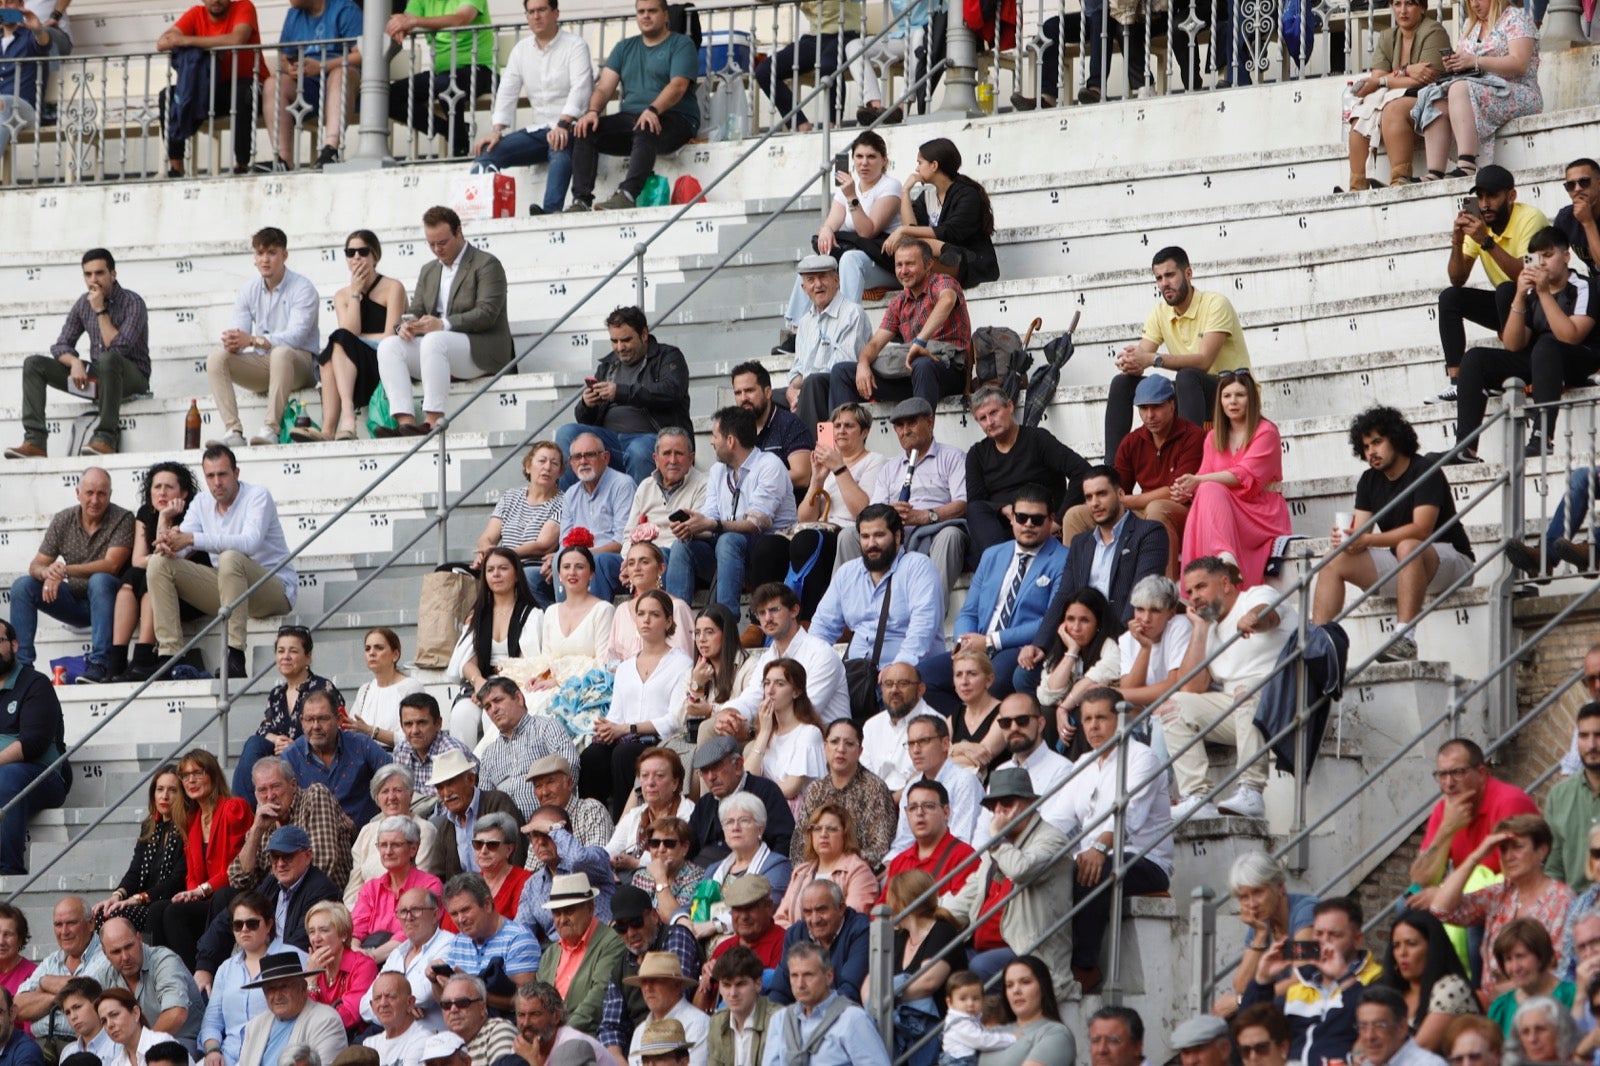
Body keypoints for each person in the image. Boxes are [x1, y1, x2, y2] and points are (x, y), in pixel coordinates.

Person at [1313, 406, 1475, 661]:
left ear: (1396, 438)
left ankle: (1405, 639)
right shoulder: (1369, 480)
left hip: (1452, 562)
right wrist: (1348, 540)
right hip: (1406, 567)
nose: (1371, 452)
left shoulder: (1424, 469)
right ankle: (1318, 644)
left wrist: (1368, 539)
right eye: (1365, 447)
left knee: (1408, 545)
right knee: (1333, 558)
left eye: (1377, 442)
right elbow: (1362, 531)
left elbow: (1421, 530)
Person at [1160, 555, 1297, 821]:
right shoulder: (1208, 628)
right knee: (1174, 704)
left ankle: (1251, 791)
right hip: (1242, 711)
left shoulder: (1256, 596)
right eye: (1189, 592)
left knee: (1246, 690)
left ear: (1225, 583)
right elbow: (1190, 688)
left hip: (1284, 699)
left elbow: (1269, 615)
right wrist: (1200, 629)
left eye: (1201, 587)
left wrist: (1254, 619)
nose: (1194, 596)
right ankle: (1197, 798)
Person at [1054, 689, 1174, 993]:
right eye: (1087, 719)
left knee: (1096, 869)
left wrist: (1098, 846)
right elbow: (1058, 821)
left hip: (1145, 859)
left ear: (1120, 720)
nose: (1093, 726)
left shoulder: (1143, 757)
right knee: (1050, 871)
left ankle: (1085, 967)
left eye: (1101, 718)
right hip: (1095, 855)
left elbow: (1129, 813)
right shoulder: (1083, 762)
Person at [147, 445, 298, 682]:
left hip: (273, 589)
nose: (217, 482)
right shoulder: (201, 502)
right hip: (229, 590)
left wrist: (191, 538)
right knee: (158, 563)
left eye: (222, 474)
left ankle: (235, 654)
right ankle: (170, 656)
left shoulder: (258, 496)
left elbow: (249, 543)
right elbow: (175, 549)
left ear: (236, 473)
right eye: (210, 476)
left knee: (231, 556)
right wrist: (165, 523)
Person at [1455, 227, 1598, 460]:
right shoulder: (1533, 294)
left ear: (1566, 256)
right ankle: (1465, 448)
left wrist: (1543, 293)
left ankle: (1543, 437)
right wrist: (1520, 296)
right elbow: (1513, 344)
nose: (1542, 264)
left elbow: (1571, 336)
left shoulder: (1584, 286)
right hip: (1543, 361)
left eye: (1548, 255)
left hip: (1581, 357)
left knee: (1546, 346)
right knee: (1475, 358)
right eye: (1536, 258)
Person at [1104, 246, 1252, 462]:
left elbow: (1203, 361)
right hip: (1189, 392)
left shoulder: (1215, 304)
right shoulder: (1160, 312)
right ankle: (1111, 473)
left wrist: (1153, 360)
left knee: (1187, 376)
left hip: (1229, 389)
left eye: (1170, 275)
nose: (1165, 283)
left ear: (1188, 274)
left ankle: (1187, 462)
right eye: (1159, 278)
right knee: (1122, 383)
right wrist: (1131, 362)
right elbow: (1143, 352)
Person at [374, 207, 512, 438]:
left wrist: (443, 324)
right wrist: (406, 326)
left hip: (482, 349)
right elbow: (416, 310)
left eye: (442, 242)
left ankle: (431, 421)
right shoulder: (428, 270)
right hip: (438, 350)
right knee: (389, 345)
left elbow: (487, 313)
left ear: (459, 232)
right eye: (431, 244)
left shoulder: (487, 264)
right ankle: (405, 422)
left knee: (435, 339)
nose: (437, 250)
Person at [9, 249, 150, 462]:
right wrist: (74, 362)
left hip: (132, 378)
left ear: (113, 274)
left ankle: (105, 437)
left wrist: (101, 310)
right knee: (34, 364)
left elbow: (118, 349)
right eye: (88, 274)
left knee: (108, 359)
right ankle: (36, 441)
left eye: (100, 273)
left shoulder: (133, 302)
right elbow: (61, 345)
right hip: (100, 377)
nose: (94, 279)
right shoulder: (83, 303)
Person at [943, 771, 1075, 996]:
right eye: (994, 806)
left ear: (1031, 804)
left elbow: (1020, 870)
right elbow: (968, 897)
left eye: (1007, 803)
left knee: (978, 969)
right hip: (983, 948)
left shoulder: (1052, 838)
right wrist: (930, 920)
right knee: (937, 957)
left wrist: (995, 839)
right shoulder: (999, 846)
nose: (999, 812)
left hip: (1032, 954)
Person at [748, 403, 885, 619]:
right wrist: (817, 480)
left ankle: (806, 618)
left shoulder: (874, 461)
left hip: (846, 534)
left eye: (849, 426)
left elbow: (863, 511)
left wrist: (840, 469)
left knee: (807, 541)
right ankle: (760, 620)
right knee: (768, 546)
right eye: (837, 425)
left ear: (865, 431)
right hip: (816, 529)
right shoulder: (827, 465)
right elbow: (805, 517)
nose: (841, 430)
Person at [1062, 375, 1203, 580]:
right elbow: (1118, 489)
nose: (1149, 415)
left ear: (1172, 405)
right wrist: (1116, 500)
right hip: (1140, 511)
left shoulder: (1193, 436)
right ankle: (1071, 591)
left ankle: (1162, 593)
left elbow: (1176, 492)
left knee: (1157, 508)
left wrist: (1129, 501)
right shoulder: (1132, 441)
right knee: (1075, 515)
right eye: (1143, 408)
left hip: (1183, 511)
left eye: (1156, 407)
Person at [1430, 165, 1549, 404]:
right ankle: (1456, 382)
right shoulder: (1481, 223)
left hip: (1539, 307)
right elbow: (1457, 278)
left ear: (1511, 196)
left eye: (1493, 196)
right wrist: (1457, 240)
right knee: (1450, 297)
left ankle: (1513, 373)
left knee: (1507, 289)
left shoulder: (1531, 218)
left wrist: (1485, 241)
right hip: (1507, 305)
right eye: (1481, 196)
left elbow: (1526, 275)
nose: (1484, 204)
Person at [664, 406, 796, 618]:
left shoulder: (770, 466)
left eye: (715, 436)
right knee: (683, 545)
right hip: (727, 557)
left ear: (731, 441)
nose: (711, 442)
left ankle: (725, 623)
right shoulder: (717, 470)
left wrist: (713, 525)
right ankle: (675, 623)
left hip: (765, 556)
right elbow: (711, 518)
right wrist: (692, 527)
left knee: (729, 540)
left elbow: (756, 523)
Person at [565, 0, 697, 211]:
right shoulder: (624, 47)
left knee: (645, 125)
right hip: (633, 119)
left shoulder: (681, 44)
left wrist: (652, 109)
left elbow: (678, 86)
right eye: (641, 12)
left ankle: (626, 196)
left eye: (652, 11)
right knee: (585, 129)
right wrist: (591, 112)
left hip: (677, 118)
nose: (646, 16)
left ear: (666, 16)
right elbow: (603, 88)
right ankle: (580, 201)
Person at [8, 468, 132, 684]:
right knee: (23, 586)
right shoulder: (64, 519)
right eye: (89, 493)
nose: (95, 499)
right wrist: (47, 572)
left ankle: (100, 662)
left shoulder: (123, 518)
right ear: (78, 493)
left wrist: (65, 569)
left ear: (110, 495)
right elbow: (36, 564)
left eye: (102, 493)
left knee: (100, 579)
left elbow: (112, 565)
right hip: (74, 602)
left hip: (111, 605)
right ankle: (22, 668)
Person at [470, 0, 592, 215]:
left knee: (559, 149)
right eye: (531, 12)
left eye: (542, 10)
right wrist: (496, 130)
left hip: (570, 127)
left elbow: (581, 88)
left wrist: (563, 123)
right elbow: (507, 90)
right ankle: (481, 212)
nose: (536, 16)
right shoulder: (521, 50)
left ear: (556, 13)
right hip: (540, 130)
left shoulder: (575, 45)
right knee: (488, 154)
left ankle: (549, 212)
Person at [1429, 814, 1575, 991]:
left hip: (1537, 1004)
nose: (1508, 856)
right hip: (1494, 1006)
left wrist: (1505, 990)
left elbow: (1557, 968)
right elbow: (1441, 910)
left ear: (1542, 850)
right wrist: (1476, 857)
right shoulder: (1499, 892)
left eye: (1517, 847)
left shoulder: (1562, 898)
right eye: (1503, 849)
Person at [205, 228, 320, 449]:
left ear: (284, 256)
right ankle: (233, 431)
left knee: (281, 353)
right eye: (260, 253)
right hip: (265, 363)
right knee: (217, 359)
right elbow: (241, 333)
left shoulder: (303, 288)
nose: (265, 259)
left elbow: (295, 337)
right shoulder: (249, 290)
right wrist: (233, 341)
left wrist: (253, 341)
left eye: (271, 252)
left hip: (301, 365)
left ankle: (271, 429)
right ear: (254, 259)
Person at [834, 399, 968, 589]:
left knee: (951, 535)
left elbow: (962, 503)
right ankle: (846, 609)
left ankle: (931, 610)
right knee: (848, 536)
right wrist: (888, 512)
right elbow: (873, 512)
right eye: (899, 426)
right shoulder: (890, 468)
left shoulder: (952, 457)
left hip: (935, 530)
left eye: (912, 423)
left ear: (930, 422)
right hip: (894, 533)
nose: (905, 431)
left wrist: (925, 516)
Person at [1175, 371, 1292, 586]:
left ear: (1251, 399)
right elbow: (1203, 475)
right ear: (1219, 401)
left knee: (1208, 488)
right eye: (1226, 396)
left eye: (1240, 395)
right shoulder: (1213, 437)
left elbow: (1244, 475)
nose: (1233, 402)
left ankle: (1221, 560)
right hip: (1227, 510)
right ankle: (1222, 560)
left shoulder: (1266, 432)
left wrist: (1198, 481)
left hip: (1261, 511)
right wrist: (1186, 488)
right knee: (1207, 491)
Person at [292, 230, 408, 443]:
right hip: (352, 366)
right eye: (350, 252)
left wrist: (360, 337)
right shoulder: (342, 295)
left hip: (383, 359)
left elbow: (390, 335)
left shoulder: (393, 287)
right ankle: (331, 428)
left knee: (336, 346)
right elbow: (348, 334)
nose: (356, 257)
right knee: (334, 349)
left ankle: (343, 420)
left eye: (362, 252)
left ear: (375, 255)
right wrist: (355, 293)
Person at [828, 244, 973, 414]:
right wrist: (863, 364)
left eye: (910, 264)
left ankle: (921, 437)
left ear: (928, 265)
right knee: (842, 372)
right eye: (899, 265)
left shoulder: (942, 282)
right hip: (911, 374)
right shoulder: (899, 302)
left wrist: (920, 341)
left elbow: (947, 300)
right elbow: (875, 344)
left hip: (949, 371)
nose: (903, 271)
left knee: (923, 365)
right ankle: (842, 437)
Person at [557, 308, 692, 487]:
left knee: (639, 450)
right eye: (614, 341)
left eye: (626, 340)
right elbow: (585, 420)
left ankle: (643, 513)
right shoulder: (607, 366)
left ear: (644, 334)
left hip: (654, 437)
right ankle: (570, 509)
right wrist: (587, 404)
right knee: (566, 433)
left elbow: (672, 391)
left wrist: (620, 392)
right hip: (608, 441)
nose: (620, 347)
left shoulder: (667, 356)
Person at [781, 133, 895, 342]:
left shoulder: (890, 186)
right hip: (862, 263)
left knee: (850, 259)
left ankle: (846, 326)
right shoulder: (847, 187)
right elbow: (833, 220)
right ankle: (797, 331)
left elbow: (867, 232)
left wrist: (852, 196)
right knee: (812, 263)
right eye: (859, 157)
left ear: (884, 160)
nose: (864, 163)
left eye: (871, 157)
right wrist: (826, 229)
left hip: (886, 263)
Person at [704, 583, 851, 745]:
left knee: (752, 748)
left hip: (822, 740)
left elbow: (805, 713)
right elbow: (752, 696)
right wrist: (730, 712)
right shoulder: (768, 657)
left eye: (774, 610)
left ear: (794, 611)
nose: (767, 618)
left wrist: (753, 732)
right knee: (710, 727)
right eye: (761, 613)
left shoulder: (821, 653)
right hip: (777, 733)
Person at [195, 825, 341, 986]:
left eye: (287, 856)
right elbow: (230, 916)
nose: (280, 864)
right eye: (274, 857)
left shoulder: (321, 890)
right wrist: (204, 965)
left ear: (308, 856)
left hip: (290, 976)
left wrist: (254, 966)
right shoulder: (272, 883)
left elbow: (300, 944)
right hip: (260, 965)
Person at [812, 504, 946, 677]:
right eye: (865, 536)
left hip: (911, 675)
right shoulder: (847, 572)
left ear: (897, 536)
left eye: (879, 535)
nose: (871, 544)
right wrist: (813, 664)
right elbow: (822, 627)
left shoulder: (918, 566)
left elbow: (923, 628)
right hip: (857, 679)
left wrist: (899, 668)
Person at [1407, 738, 1538, 911]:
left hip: (1512, 899)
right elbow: (1420, 880)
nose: (1449, 783)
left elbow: (1501, 872)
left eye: (1458, 772)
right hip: (1464, 893)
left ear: (1482, 773)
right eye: (1442, 774)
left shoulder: (1509, 802)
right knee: (1407, 906)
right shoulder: (1445, 809)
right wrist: (1447, 829)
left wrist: (1443, 893)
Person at [1416, 0, 1540, 181]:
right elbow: (1463, 59)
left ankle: (1466, 164)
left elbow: (1519, 63)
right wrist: (1454, 63)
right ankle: (1434, 172)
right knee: (1435, 98)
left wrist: (1475, 61)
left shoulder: (1516, 18)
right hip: (1479, 87)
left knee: (1459, 88)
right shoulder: (1470, 25)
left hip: (1519, 91)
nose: (1474, 4)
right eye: (1469, 0)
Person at [112, 463, 208, 684]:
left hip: (191, 596)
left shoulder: (194, 514)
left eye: (169, 487)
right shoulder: (146, 512)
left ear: (184, 493)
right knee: (132, 577)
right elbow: (138, 559)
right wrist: (161, 516)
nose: (162, 492)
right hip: (162, 589)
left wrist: (165, 517)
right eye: (156, 487)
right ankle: (116, 661)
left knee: (150, 575)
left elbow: (166, 560)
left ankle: (142, 656)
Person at [963, 388, 1090, 554]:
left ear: (1009, 406)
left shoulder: (1037, 439)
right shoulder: (977, 454)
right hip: (1002, 531)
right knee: (974, 511)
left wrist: (1059, 520)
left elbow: (1082, 471)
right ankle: (1001, 564)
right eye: (982, 418)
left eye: (993, 413)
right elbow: (976, 502)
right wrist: (1003, 509)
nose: (989, 422)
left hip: (1039, 521)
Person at [1342, 0, 1449, 190]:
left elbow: (1425, 78)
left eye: (1410, 4)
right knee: (1359, 115)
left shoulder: (1434, 31)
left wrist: (1387, 79)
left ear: (1422, 7)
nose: (1402, 10)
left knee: (1393, 110)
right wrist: (1406, 71)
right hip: (1395, 97)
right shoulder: (1387, 37)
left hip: (1430, 98)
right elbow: (1376, 79)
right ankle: (1357, 186)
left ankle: (1400, 180)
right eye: (1397, 4)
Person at [153, 0, 266, 177]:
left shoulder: (244, 7)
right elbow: (162, 43)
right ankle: (176, 167)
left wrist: (187, 40)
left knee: (242, 92)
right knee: (167, 96)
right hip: (211, 89)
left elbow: (237, 39)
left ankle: (242, 165)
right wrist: (179, 38)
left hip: (251, 86)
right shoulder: (195, 14)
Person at [232, 627, 343, 800]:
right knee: (254, 744)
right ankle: (242, 807)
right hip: (280, 759)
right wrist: (277, 739)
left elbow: (338, 728)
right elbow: (263, 729)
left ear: (308, 656)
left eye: (293, 651)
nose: (285, 657)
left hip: (310, 756)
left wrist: (297, 744)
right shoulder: (277, 694)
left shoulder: (322, 688)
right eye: (280, 651)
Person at [199, 892, 308, 1066]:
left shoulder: (294, 957)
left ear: (269, 925)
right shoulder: (225, 969)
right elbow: (212, 1021)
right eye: (237, 924)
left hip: (274, 1054)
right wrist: (213, 1050)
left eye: (252, 923)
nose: (244, 930)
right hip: (227, 1056)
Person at [879, 138, 998, 291]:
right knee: (910, 248)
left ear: (934, 165)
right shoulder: (927, 196)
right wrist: (905, 191)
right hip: (939, 257)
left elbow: (950, 231)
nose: (916, 168)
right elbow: (911, 228)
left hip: (970, 263)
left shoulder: (967, 194)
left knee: (913, 250)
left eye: (920, 162)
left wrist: (902, 231)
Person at [1210, 853, 1318, 1018]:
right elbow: (1241, 986)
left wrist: (1241, 1001)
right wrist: (1260, 935)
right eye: (1244, 897)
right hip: (1285, 1006)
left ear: (1280, 887)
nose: (1252, 904)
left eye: (1258, 892)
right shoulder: (1262, 921)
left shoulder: (1305, 912)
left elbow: (1301, 980)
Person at [597, 884, 700, 1058]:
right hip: (637, 1050)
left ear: (654, 915)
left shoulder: (675, 937)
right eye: (621, 928)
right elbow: (610, 1027)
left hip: (680, 1040)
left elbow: (676, 995)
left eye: (636, 922)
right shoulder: (621, 965)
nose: (630, 933)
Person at [383, 0, 493, 157]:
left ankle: (459, 149)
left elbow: (461, 18)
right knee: (388, 97)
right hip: (441, 74)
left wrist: (414, 21)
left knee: (446, 84)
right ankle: (450, 130)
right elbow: (407, 18)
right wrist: (401, 25)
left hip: (479, 68)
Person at [0, 620, 68, 875]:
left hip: (43, 775)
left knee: (6, 776)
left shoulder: (35, 683)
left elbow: (33, 743)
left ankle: (8, 870)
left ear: (14, 645)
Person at [227, 760, 355, 894]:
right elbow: (238, 880)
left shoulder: (315, 796)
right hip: (277, 900)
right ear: (256, 795)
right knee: (224, 896)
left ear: (293, 785)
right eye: (262, 790)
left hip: (320, 901)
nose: (270, 796)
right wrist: (256, 830)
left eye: (276, 786)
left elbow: (322, 862)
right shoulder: (262, 820)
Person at [263, 0, 362, 170]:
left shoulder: (345, 8)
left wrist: (322, 66)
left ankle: (330, 151)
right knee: (273, 84)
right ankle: (282, 160)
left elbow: (362, 54)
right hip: (307, 87)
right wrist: (289, 67)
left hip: (345, 88)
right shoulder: (293, 15)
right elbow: (283, 57)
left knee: (341, 74)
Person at [758, 942, 889, 1066]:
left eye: (808, 975)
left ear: (829, 976)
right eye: (794, 976)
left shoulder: (852, 1018)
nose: (800, 984)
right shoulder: (779, 1020)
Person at [883, 870, 963, 1066]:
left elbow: (928, 982)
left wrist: (885, 996)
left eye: (890, 899)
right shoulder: (898, 936)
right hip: (901, 1032)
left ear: (901, 902)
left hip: (937, 1035)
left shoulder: (943, 930)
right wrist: (880, 997)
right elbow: (870, 980)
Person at [92, 767, 185, 934]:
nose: (164, 796)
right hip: (142, 901)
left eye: (173, 790)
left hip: (165, 903)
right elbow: (135, 871)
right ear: (153, 794)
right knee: (102, 912)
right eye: (160, 789)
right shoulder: (149, 827)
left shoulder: (188, 829)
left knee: (116, 914)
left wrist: (137, 899)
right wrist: (117, 896)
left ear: (183, 795)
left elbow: (175, 881)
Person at [534, 875, 627, 1036]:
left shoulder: (611, 943)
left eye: (569, 911)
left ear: (590, 908)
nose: (562, 920)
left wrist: (560, 1035)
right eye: (557, 913)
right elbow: (538, 1002)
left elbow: (599, 998)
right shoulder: (550, 954)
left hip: (590, 1037)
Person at [471, 444, 563, 607]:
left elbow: (542, 546)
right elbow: (488, 537)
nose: (547, 467)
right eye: (542, 461)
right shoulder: (511, 497)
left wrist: (501, 556)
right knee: (449, 569)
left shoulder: (563, 502)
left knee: (522, 576)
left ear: (560, 472)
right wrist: (486, 553)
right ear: (528, 466)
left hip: (535, 568)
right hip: (501, 562)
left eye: (554, 463)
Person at [475, 678, 579, 822]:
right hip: (507, 834)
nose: (494, 709)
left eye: (498, 700)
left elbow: (569, 766)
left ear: (518, 698)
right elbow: (486, 801)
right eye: (488, 707)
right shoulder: (489, 753)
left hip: (551, 822)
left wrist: (552, 808)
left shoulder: (546, 728)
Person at [285, 691, 393, 828]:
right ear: (301, 721)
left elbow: (395, 775)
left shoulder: (361, 745)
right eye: (309, 720)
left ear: (339, 719)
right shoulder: (290, 757)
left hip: (362, 840)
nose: (316, 726)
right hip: (314, 839)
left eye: (323, 719)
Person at [457, 550, 544, 719]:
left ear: (517, 574)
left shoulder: (532, 614)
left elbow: (527, 662)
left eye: (503, 568)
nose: (496, 574)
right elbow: (467, 661)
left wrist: (493, 690)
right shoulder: (477, 614)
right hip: (481, 682)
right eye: (490, 570)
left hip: (515, 683)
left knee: (493, 716)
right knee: (462, 715)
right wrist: (479, 683)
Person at [13, 898, 112, 1046]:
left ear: (91, 924)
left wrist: (44, 983)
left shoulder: (107, 954)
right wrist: (61, 997)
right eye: (58, 925)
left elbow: (86, 989)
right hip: (40, 1044)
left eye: (71, 923)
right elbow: (17, 1007)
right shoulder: (51, 961)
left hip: (84, 1043)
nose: (64, 932)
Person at [98, 917, 204, 1051]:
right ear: (105, 953)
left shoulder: (164, 961)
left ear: (139, 938)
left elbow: (176, 1014)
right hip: (135, 1047)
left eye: (129, 946)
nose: (125, 957)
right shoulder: (106, 975)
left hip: (182, 1041)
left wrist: (142, 1049)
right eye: (116, 951)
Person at [686, 738, 795, 867]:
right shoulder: (705, 804)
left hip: (754, 874)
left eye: (716, 767)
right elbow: (688, 847)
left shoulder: (766, 792)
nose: (710, 777)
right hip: (705, 876)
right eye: (704, 771)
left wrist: (769, 873)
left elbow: (784, 841)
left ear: (738, 765)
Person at [359, 888, 455, 1034]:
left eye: (416, 910)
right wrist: (404, 1009)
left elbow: (424, 995)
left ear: (435, 915)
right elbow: (365, 1006)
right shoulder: (398, 953)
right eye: (402, 912)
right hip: (391, 1037)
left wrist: (386, 1009)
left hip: (431, 1039)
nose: (408, 917)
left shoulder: (449, 944)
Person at [1036, 589, 1123, 748]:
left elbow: (1094, 679)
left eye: (1084, 620)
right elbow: (1047, 696)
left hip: (1106, 718)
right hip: (1070, 713)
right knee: (1046, 711)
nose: (1076, 627)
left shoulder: (1111, 645)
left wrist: (1064, 707)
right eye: (1070, 619)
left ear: (1098, 623)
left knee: (1083, 712)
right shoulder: (1062, 650)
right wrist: (1072, 651)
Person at [437, 876, 541, 1011]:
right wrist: (435, 980)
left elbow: (525, 1003)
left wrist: (472, 989)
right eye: (454, 914)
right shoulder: (458, 941)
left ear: (487, 904)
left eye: (466, 910)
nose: (461, 919)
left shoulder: (518, 939)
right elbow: (444, 1001)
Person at [1380, 912, 1479, 1051]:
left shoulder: (1452, 988)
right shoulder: (1388, 990)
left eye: (1411, 944)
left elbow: (1418, 1052)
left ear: (1433, 949)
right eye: (1396, 945)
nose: (1402, 953)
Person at [515, 808, 615, 944]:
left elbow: (578, 859)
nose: (541, 842)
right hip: (560, 956)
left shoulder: (593, 858)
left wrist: (553, 828)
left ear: (567, 833)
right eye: (535, 835)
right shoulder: (533, 885)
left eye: (547, 834)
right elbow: (521, 933)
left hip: (601, 946)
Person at [887, 715, 984, 855]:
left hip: (950, 865)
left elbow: (961, 842)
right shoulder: (911, 786)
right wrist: (890, 863)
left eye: (924, 741)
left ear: (945, 743)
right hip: (914, 863)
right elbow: (903, 842)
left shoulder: (965, 781)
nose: (915, 750)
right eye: (911, 743)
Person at [349, 816, 444, 958]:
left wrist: (371, 957)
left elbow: (414, 933)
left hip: (411, 959)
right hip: (366, 957)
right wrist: (356, 950)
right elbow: (355, 928)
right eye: (383, 845)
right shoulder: (371, 888)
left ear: (413, 849)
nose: (388, 851)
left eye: (395, 845)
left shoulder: (429, 886)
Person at [744, 660, 826, 816]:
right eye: (767, 683)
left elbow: (791, 788)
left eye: (780, 684)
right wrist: (764, 732)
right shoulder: (768, 732)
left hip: (800, 815)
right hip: (769, 809)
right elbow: (747, 778)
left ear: (796, 692)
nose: (770, 691)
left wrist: (756, 796)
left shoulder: (809, 732)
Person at [775, 802, 877, 927]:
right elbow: (779, 919)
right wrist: (795, 939)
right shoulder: (801, 872)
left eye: (832, 829)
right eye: (817, 829)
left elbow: (851, 921)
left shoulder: (859, 871)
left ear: (845, 835)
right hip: (796, 945)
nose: (823, 834)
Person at [670, 606, 753, 757]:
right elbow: (679, 721)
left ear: (726, 634)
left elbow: (747, 716)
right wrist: (697, 686)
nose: (701, 639)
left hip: (737, 743)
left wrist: (710, 710)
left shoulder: (749, 667)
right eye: (697, 633)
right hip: (696, 743)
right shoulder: (694, 672)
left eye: (709, 632)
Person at [235, 953, 346, 1066]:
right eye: (271, 989)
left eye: (284, 986)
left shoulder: (326, 1021)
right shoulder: (255, 1025)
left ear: (303, 987)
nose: (277, 996)